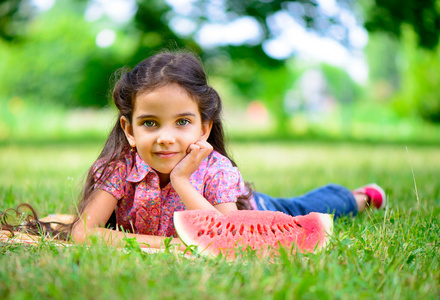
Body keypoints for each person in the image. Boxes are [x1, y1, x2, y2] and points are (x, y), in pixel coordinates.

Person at [1, 50, 386, 248]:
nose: (166, 137)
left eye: (182, 123)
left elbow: (226, 234)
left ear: (204, 127)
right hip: (198, 222)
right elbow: (86, 234)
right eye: (150, 123)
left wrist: (184, 180)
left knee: (307, 208)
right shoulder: (120, 167)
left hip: (254, 212)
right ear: (129, 129)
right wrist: (161, 244)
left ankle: (358, 198)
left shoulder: (215, 169)